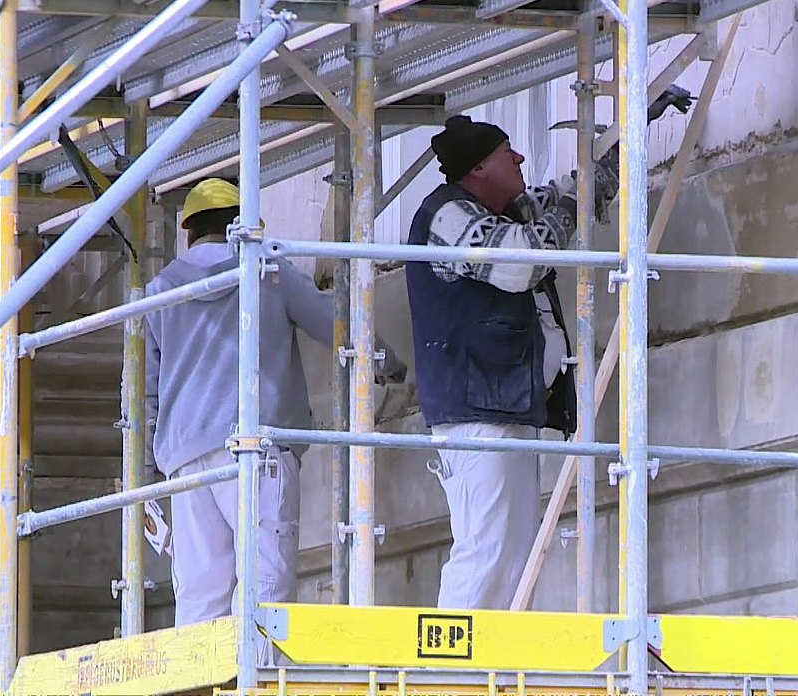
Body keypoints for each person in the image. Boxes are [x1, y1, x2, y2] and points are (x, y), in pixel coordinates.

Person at [144, 177, 405, 628]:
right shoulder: (267, 269)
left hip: (185, 462)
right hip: (256, 447)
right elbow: (334, 324)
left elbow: (146, 390)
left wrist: (147, 472)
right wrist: (386, 361)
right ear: (243, 225)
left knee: (200, 597)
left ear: (188, 232)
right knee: (264, 588)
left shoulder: (161, 291)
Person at [406, 115, 618, 610]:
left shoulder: (498, 210)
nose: (520, 159)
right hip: (478, 414)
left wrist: (624, 139)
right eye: (508, 152)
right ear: (479, 168)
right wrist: (568, 204)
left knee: (513, 555)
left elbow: (565, 194)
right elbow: (522, 262)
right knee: (486, 549)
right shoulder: (449, 217)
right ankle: (452, 677)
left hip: (507, 408)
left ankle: (494, 673)